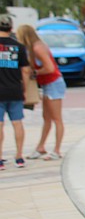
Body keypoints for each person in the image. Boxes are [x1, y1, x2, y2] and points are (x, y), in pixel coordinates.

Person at [16, 24, 66, 161]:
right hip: (47, 84)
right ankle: (41, 147)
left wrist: (35, 72)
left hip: (53, 83)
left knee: (56, 118)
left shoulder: (38, 48)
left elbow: (49, 68)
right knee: (47, 118)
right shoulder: (34, 48)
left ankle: (57, 150)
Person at [0, 15, 32, 170]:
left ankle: (0, 159)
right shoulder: (19, 46)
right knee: (17, 123)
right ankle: (19, 157)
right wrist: (24, 89)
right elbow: (25, 71)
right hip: (15, 89)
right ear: (11, 28)